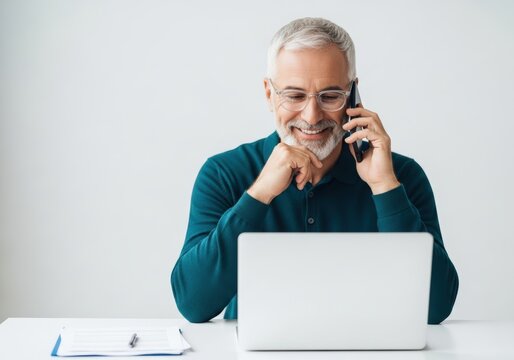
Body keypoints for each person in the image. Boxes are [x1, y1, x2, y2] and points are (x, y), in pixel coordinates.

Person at [171, 17, 459, 324]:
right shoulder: (223, 173)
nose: (311, 116)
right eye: (294, 96)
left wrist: (385, 187)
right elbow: (193, 303)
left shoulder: (401, 175)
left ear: (353, 95)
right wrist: (260, 193)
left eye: (330, 96)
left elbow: (436, 308)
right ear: (270, 94)